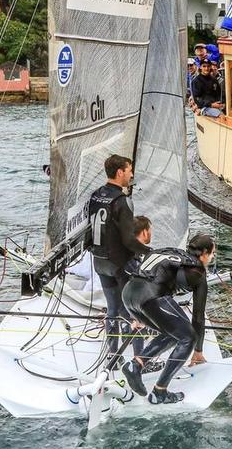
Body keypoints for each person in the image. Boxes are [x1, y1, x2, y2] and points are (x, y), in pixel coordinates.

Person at [120, 233, 215, 404]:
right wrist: (198, 351)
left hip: (128, 294)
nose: (212, 258)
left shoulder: (170, 252)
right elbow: (198, 317)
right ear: (205, 253)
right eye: (212, 254)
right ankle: (160, 392)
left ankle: (136, 364)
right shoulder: (197, 272)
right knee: (188, 337)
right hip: (150, 297)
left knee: (175, 332)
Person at [87, 154, 150, 359]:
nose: (131, 174)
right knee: (133, 311)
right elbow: (128, 241)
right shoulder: (122, 201)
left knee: (112, 309)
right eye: (129, 170)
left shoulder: (96, 195)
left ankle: (113, 356)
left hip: (100, 261)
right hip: (119, 264)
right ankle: (140, 359)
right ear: (120, 172)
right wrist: (151, 253)